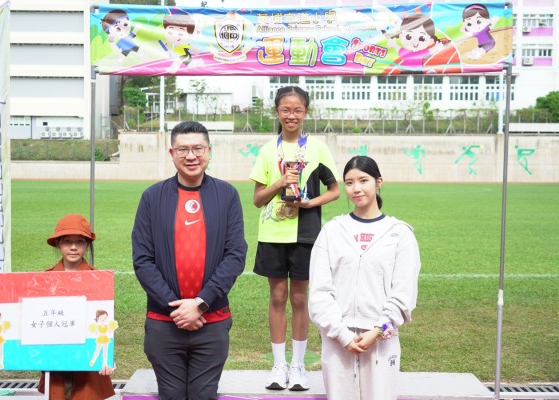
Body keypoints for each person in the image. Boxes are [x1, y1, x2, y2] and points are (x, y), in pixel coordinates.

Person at [132, 121, 247, 400]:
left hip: (212, 320)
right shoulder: (152, 197)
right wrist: (177, 308)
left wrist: (200, 303)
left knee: (203, 395)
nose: (191, 156)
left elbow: (235, 255)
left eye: (198, 148)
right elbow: (142, 260)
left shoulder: (227, 195)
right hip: (163, 321)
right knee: (170, 395)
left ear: (209, 151)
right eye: (183, 149)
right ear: (172, 153)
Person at [249, 86, 340, 391]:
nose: (291, 115)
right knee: (277, 297)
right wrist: (279, 183)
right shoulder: (267, 150)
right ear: (277, 111)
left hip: (306, 234)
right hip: (272, 233)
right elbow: (257, 199)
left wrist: (310, 204)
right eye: (286, 110)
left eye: (297, 110)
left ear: (305, 112)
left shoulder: (317, 148)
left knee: (300, 299)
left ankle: (298, 366)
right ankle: (279, 366)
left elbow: (334, 190)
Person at [308, 156, 421, 400]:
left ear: (378, 182)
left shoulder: (399, 233)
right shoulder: (332, 231)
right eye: (349, 183)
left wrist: (378, 330)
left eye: (363, 180)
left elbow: (404, 294)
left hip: (381, 340)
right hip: (337, 340)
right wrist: (342, 334)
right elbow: (319, 292)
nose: (356, 188)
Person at [0, 213, 116, 400]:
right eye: (67, 241)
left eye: (79, 241)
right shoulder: (43, 280)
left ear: (87, 244)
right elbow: (22, 321)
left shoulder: (98, 281)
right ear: (58, 244)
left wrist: (108, 358)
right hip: (55, 364)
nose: (73, 247)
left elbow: (106, 323)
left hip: (88, 370)